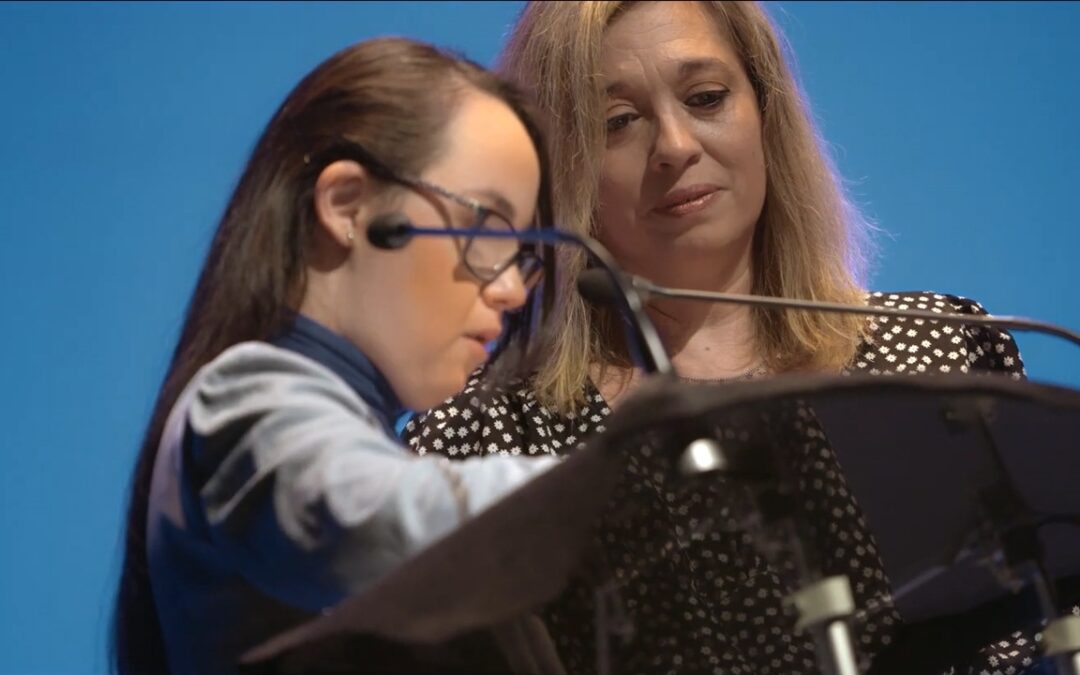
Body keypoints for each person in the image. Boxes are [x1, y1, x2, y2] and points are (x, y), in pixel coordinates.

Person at [403, 2, 1034, 674]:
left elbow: (1031, 633)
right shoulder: (489, 434)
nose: (675, 145)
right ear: (558, 169)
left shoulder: (941, 356)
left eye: (706, 98)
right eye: (617, 122)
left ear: (765, 111)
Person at [110, 37, 565, 675]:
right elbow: (385, 520)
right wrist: (629, 472)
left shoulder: (345, 431)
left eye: (521, 252)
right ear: (347, 205)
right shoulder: (243, 402)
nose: (513, 288)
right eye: (485, 229)